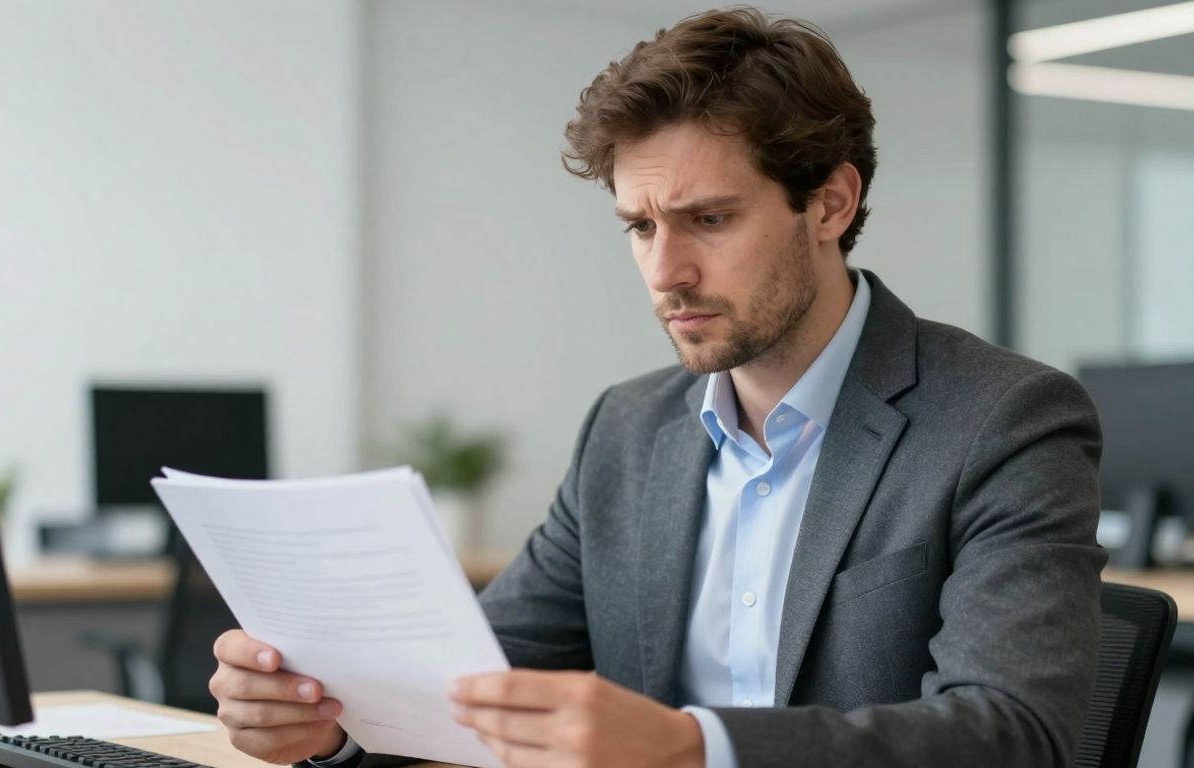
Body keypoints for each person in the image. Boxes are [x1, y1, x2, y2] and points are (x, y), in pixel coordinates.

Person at [209, 7, 1105, 767]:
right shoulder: (628, 429)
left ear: (829, 204)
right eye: (639, 226)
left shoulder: (1004, 419)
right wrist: (324, 722)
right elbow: (477, 684)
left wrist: (694, 747)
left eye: (708, 220)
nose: (665, 271)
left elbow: (1017, 733)